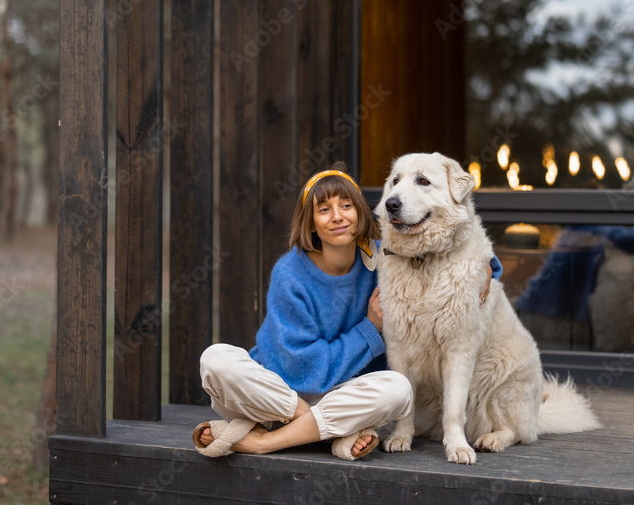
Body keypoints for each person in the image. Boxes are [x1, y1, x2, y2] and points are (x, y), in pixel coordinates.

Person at [192, 165, 501, 461]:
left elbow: (443, 250)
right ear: (311, 222)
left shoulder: (385, 257)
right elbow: (303, 371)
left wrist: (488, 266)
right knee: (216, 359)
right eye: (324, 209)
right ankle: (320, 430)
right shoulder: (290, 274)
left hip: (342, 395)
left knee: (398, 389)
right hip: (276, 390)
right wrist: (370, 328)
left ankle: (262, 440)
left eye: (346, 206)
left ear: (360, 213)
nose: (337, 217)